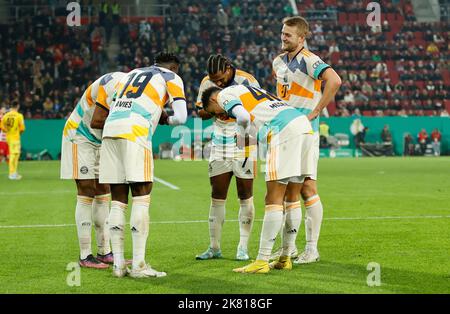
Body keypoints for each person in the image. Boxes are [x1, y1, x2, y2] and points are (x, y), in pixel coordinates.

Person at [201, 84, 314, 274]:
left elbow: (243, 117)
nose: (221, 116)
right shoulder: (250, 90)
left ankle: (261, 260)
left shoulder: (224, 95)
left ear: (213, 100)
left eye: (216, 112)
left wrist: (241, 135)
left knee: (273, 199)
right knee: (292, 198)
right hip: (303, 126)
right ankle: (285, 257)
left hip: (283, 132)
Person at [99, 53, 187, 278]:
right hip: (135, 132)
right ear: (174, 67)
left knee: (117, 200)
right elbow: (182, 117)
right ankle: (138, 265)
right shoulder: (172, 77)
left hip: (111, 130)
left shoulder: (132, 73)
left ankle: (119, 266)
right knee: (141, 194)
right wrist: (166, 119)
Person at [272, 16, 341, 265]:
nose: (283, 37)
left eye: (288, 35)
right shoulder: (278, 62)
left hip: (304, 134)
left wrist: (316, 111)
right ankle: (288, 248)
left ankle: (311, 249)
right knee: (288, 190)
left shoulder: (310, 61)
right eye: (282, 33)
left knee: (307, 188)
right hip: (284, 133)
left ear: (302, 38)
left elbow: (334, 81)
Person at [195, 54, 260, 261]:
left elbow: (257, 109)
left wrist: (231, 108)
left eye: (220, 78)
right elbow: (200, 112)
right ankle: (214, 247)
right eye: (214, 80)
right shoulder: (207, 82)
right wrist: (215, 107)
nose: (218, 83)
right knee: (217, 194)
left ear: (229, 69)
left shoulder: (248, 80)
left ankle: (243, 247)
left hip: (245, 138)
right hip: (220, 140)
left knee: (245, 194)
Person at [60, 71, 126, 269]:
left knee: (103, 190)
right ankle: (85, 255)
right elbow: (96, 121)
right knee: (87, 190)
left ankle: (104, 251)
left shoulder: (131, 89)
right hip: (80, 135)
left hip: (99, 140)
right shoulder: (113, 84)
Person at [1, 101, 25, 180]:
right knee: (14, 155)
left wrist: (7, 131)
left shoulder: (5, 115)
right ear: (17, 106)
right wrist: (18, 133)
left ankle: (14, 172)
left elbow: (2, 126)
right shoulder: (19, 116)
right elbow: (22, 128)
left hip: (8, 137)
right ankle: (12, 173)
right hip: (15, 137)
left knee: (15, 155)